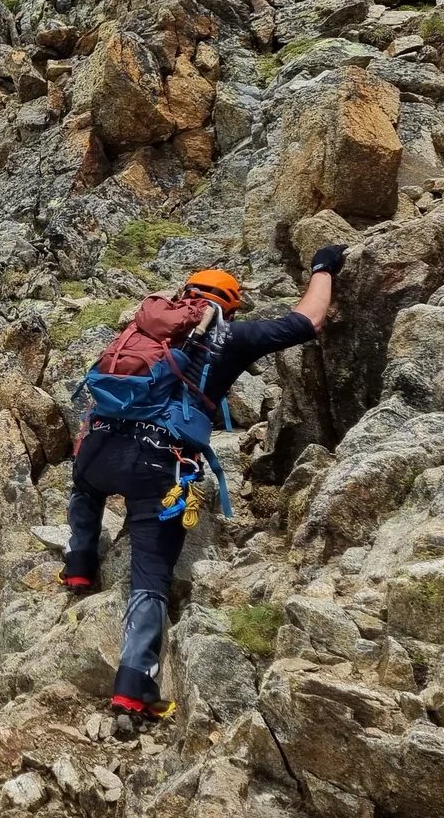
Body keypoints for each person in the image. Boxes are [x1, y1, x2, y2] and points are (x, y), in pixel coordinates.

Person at [60, 244, 347, 719]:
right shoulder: (231, 338)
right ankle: (133, 689)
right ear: (229, 306)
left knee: (86, 488)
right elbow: (308, 320)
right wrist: (322, 267)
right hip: (157, 465)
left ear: (185, 296)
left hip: (96, 453)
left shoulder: (139, 331)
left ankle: (79, 564)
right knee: (149, 577)